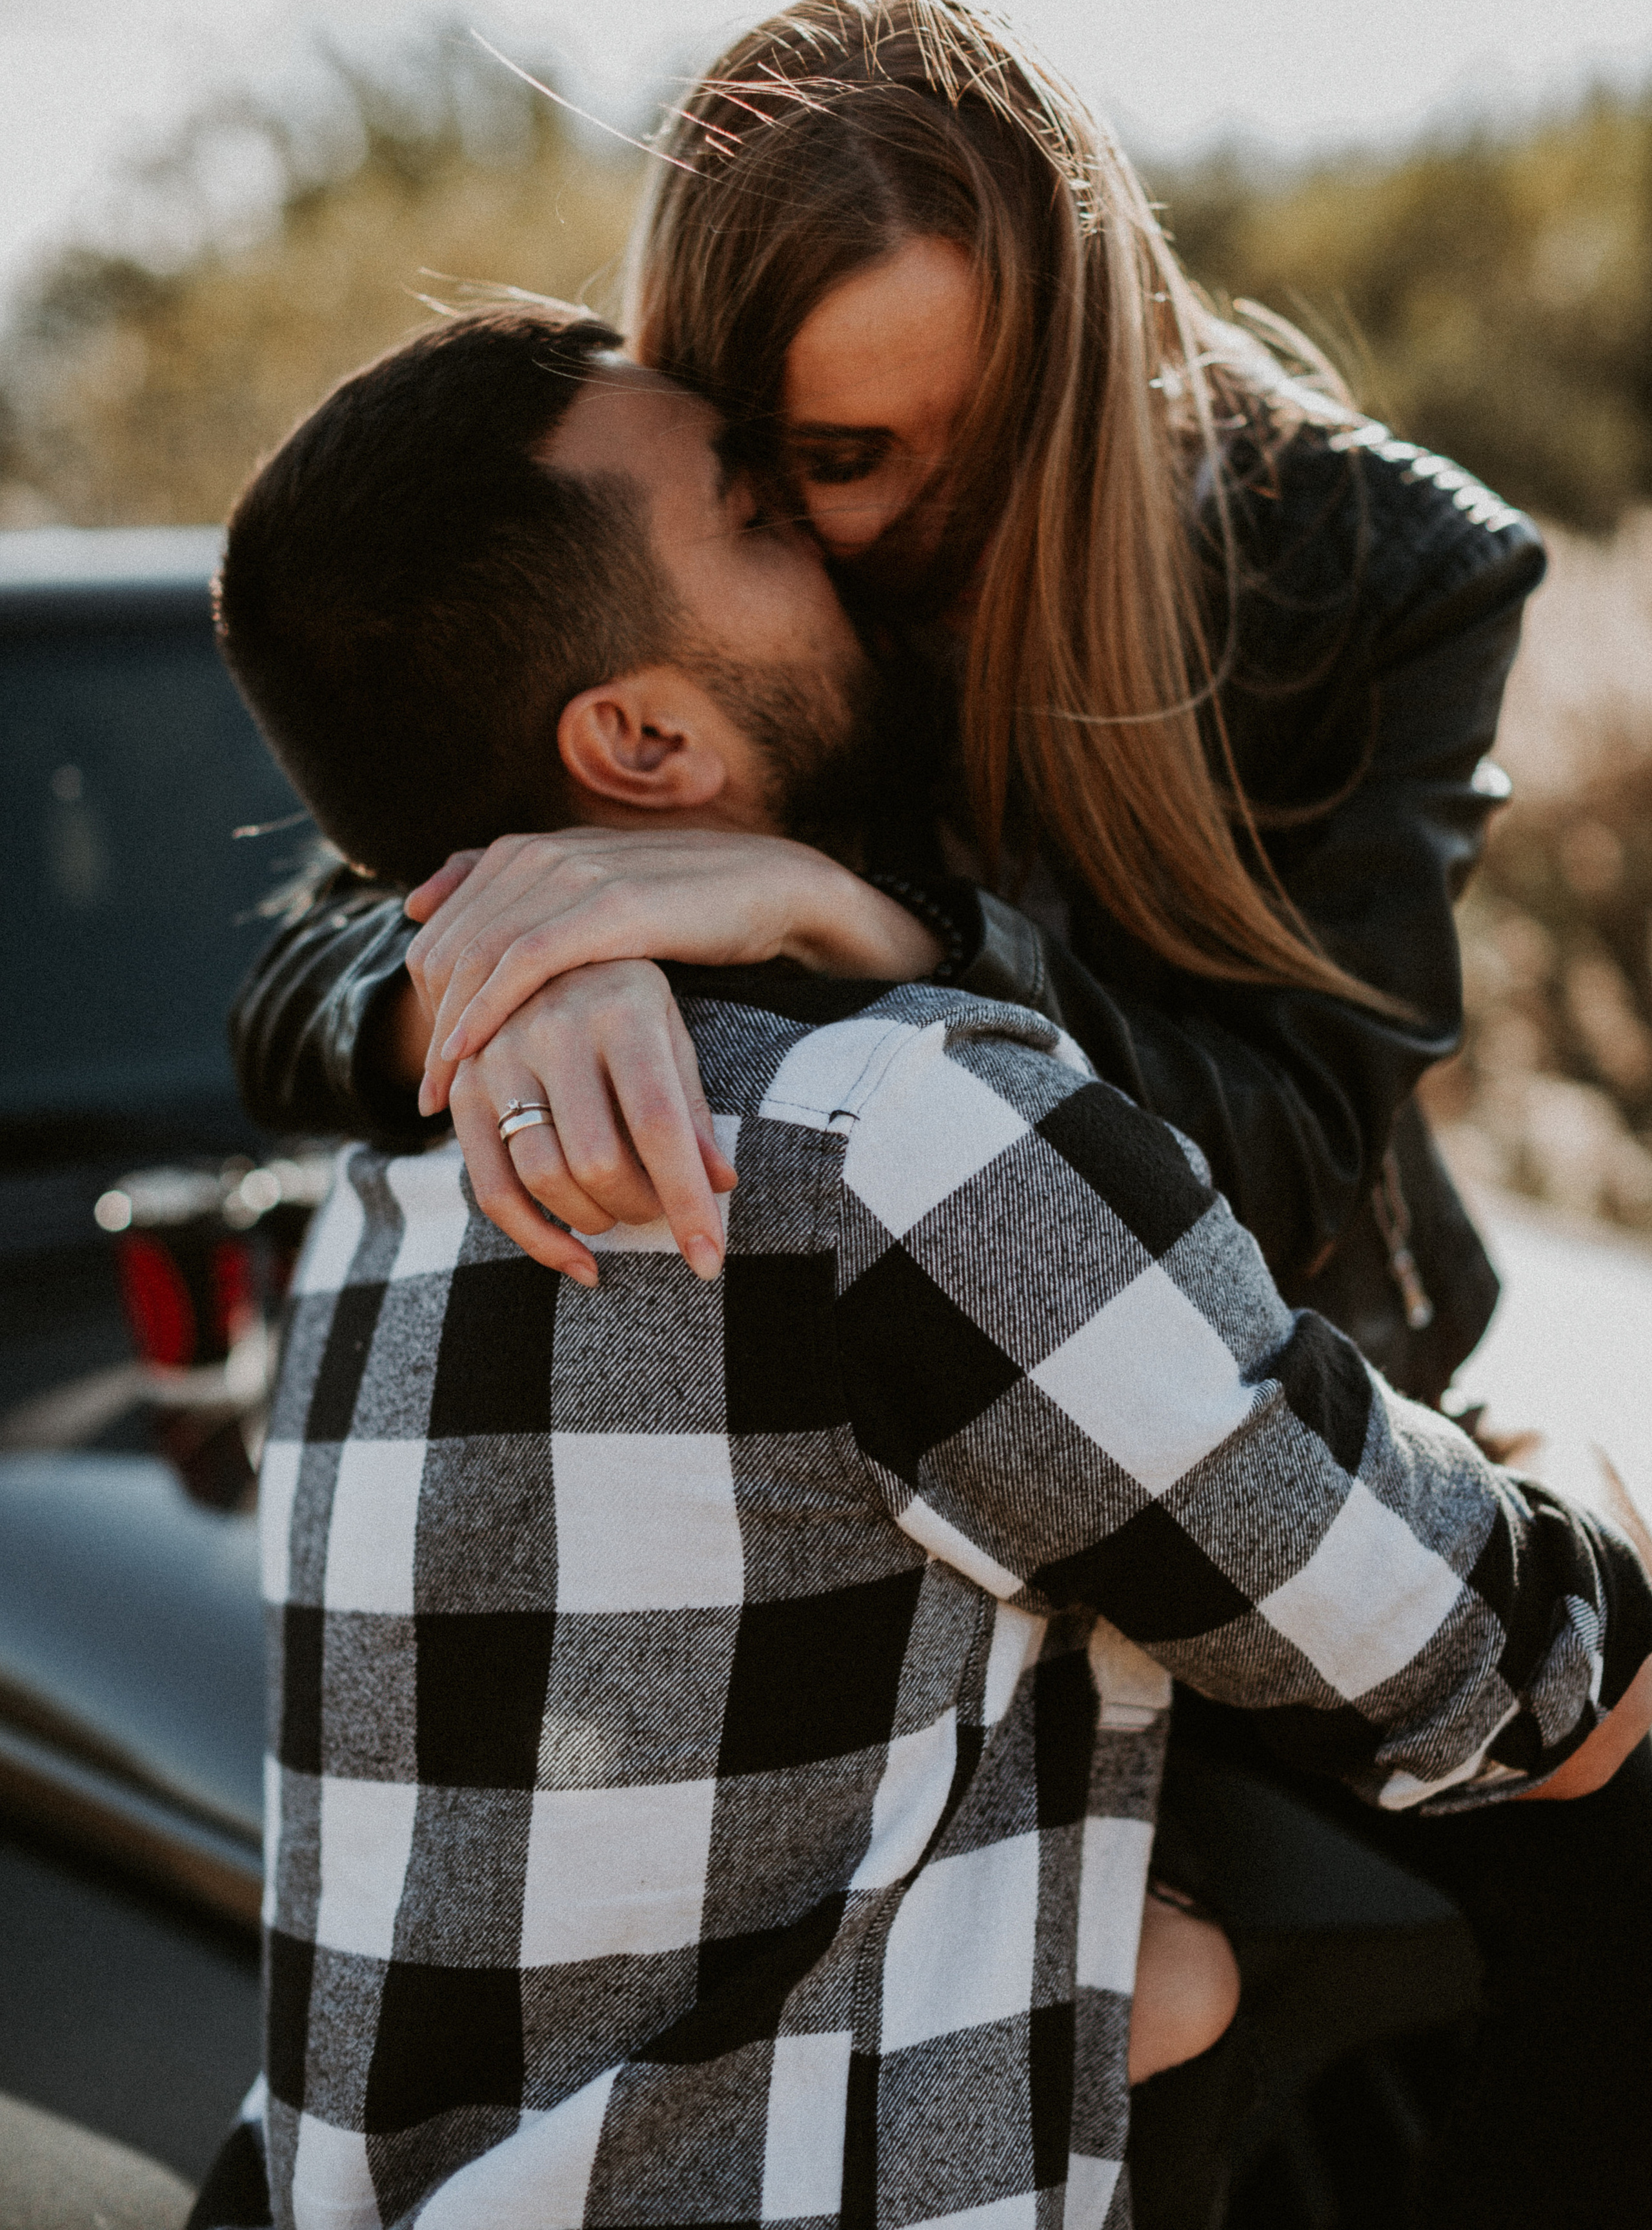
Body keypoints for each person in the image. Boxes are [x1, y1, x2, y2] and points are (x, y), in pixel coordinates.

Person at [194, 308, 1652, 2230]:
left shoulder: (364, 1228)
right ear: (639, 738)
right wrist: (1585, 1517)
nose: (865, 552)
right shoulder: (890, 1137)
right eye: (773, 507)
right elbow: (1519, 1675)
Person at [229, 0, 1542, 1421]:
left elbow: (1289, 1174)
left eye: (1008, 441)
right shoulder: (711, 592)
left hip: (1334, 1412)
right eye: (843, 459)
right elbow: (310, 961)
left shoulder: (1379, 571)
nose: (946, 529)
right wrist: (542, 970)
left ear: (1091, 373)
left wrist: (869, 922)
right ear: (722, 421)